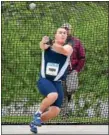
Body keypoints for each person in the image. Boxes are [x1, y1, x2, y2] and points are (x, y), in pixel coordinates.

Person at [30, 27, 74, 134]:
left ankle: (35, 122)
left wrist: (51, 43)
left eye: (65, 33)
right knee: (53, 95)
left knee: (55, 111)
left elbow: (62, 50)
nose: (63, 34)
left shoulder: (68, 47)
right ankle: (37, 113)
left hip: (57, 82)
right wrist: (44, 41)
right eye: (60, 32)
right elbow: (42, 45)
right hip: (44, 80)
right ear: (55, 35)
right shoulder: (47, 46)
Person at [60, 23, 86, 116]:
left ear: (71, 30)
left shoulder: (77, 42)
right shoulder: (59, 42)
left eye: (67, 29)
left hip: (72, 71)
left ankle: (69, 96)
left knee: (71, 89)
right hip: (61, 72)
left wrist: (77, 70)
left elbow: (82, 57)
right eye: (64, 29)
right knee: (62, 94)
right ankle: (64, 115)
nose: (65, 30)